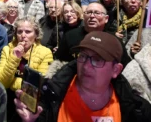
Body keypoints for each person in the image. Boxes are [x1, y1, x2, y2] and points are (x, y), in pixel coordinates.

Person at [14, 31, 151, 121]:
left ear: (116, 70)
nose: (86, 65)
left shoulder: (137, 109)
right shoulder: (48, 96)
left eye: (98, 59)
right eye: (83, 56)